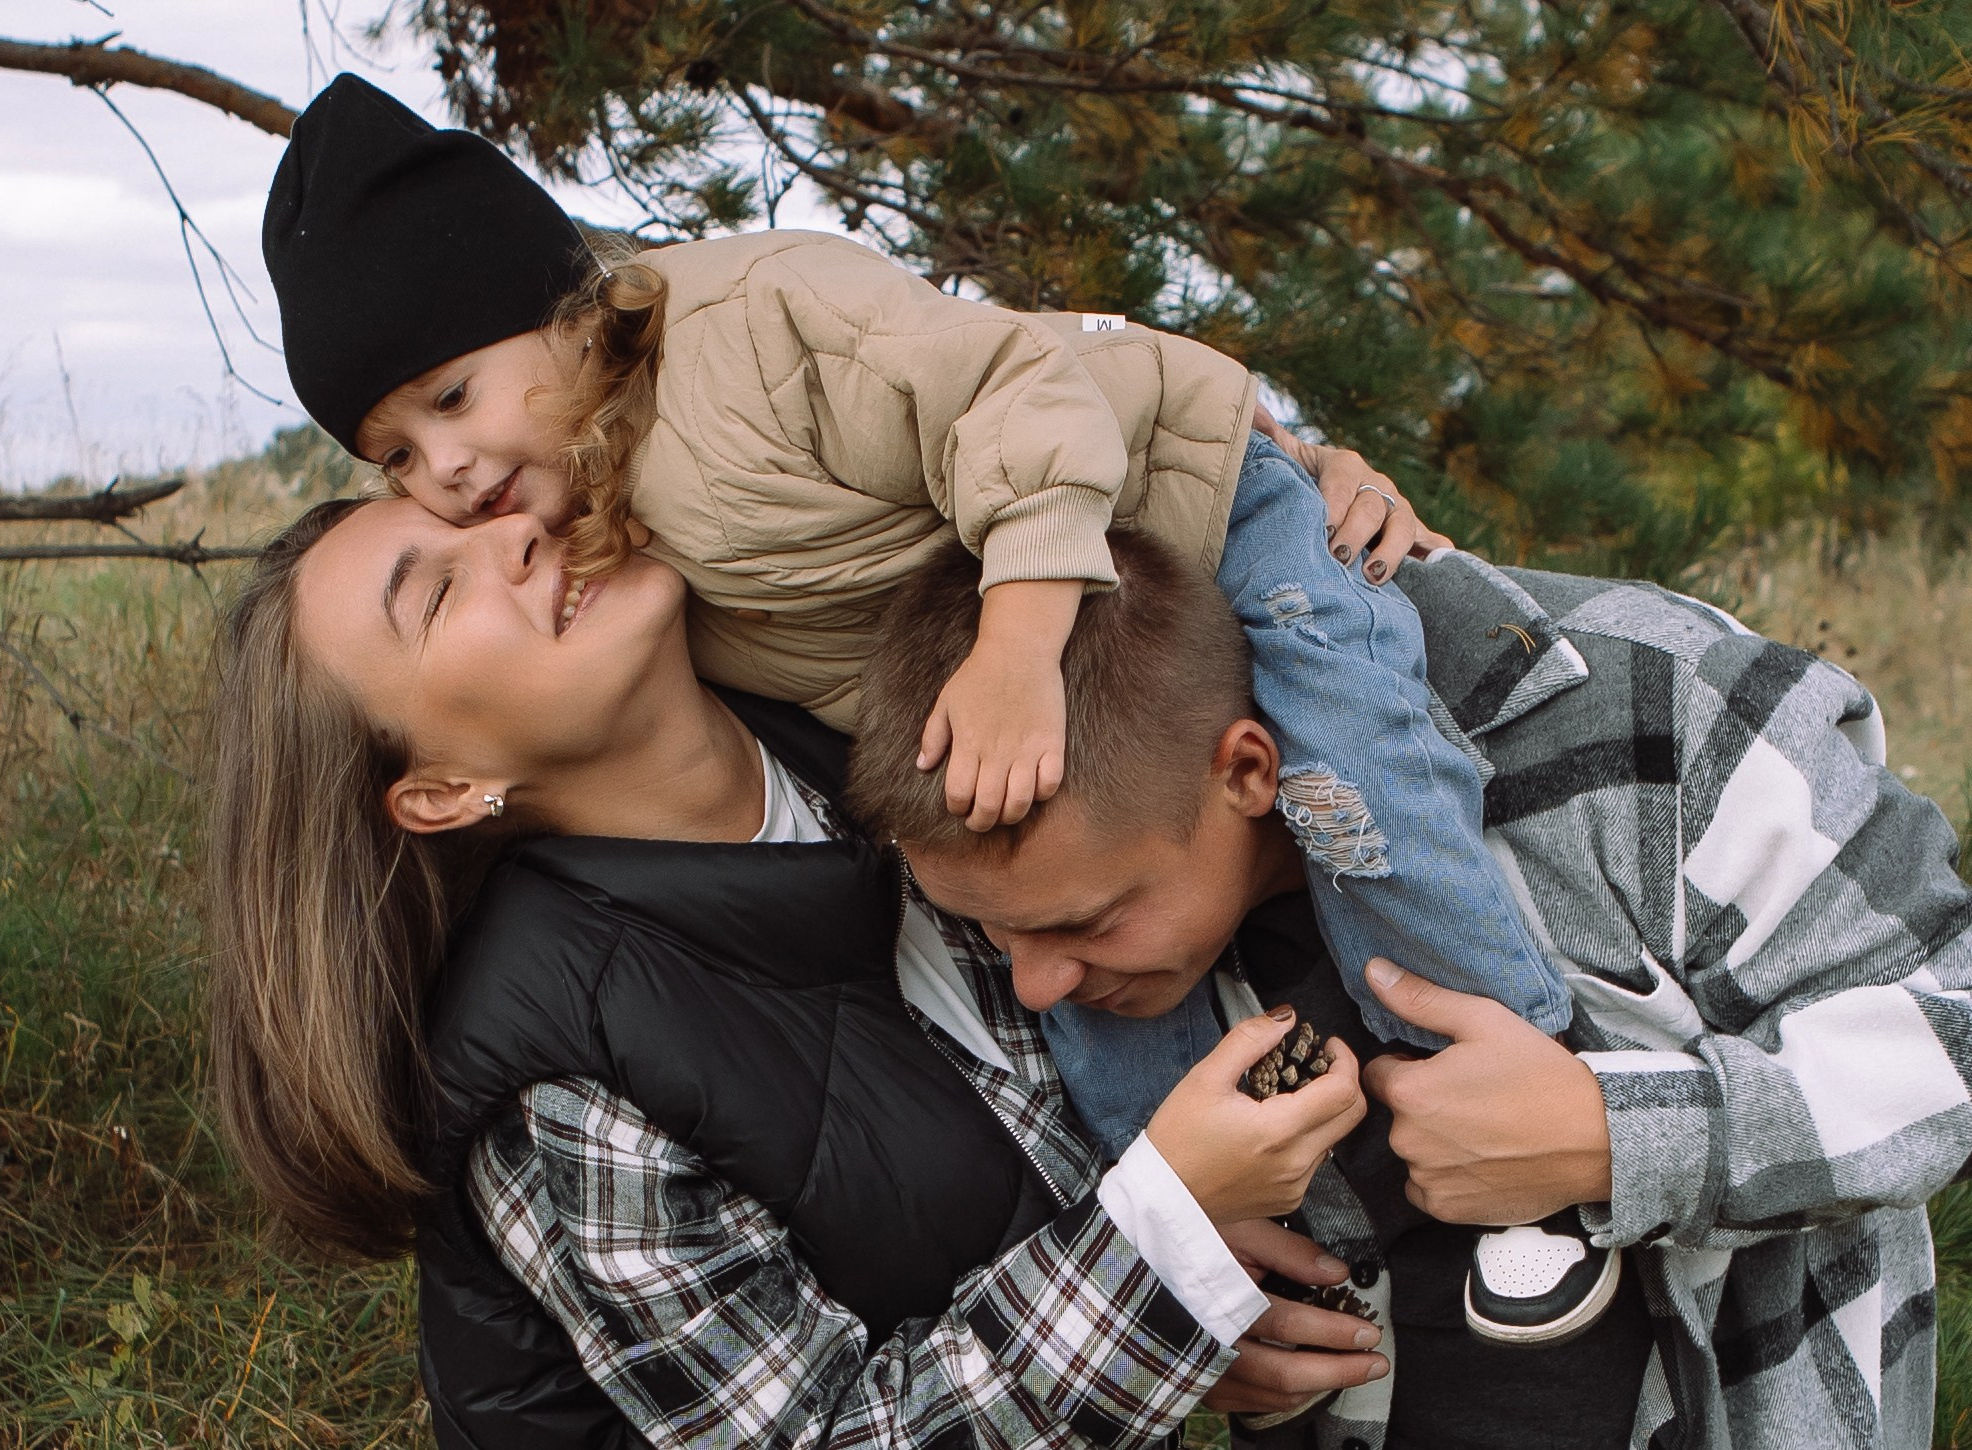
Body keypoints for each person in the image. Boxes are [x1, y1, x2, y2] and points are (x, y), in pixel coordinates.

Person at [261, 73, 1604, 1331]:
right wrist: (1164, 1276)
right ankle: (1266, 1227)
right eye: (393, 457)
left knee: (1352, 772)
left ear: (565, 312)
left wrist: (1257, 479)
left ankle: (1505, 1079)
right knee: (1086, 995)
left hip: (1156, 521)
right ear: (437, 786)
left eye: (449, 398)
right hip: (1062, 598)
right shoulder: (569, 1039)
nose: (451, 478)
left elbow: (1025, 384)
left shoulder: (744, 340)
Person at [201, 495, 1384, 1450]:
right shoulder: (557, 1078)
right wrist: (1157, 1258)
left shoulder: (859, 718)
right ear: (444, 792)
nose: (515, 527)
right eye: (439, 589)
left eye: (477, 510)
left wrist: (1304, 486)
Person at [848, 530, 1972, 1448]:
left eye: (1084, 923)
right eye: (996, 937)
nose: (1035, 987)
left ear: (1249, 769)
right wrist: (1180, 1324)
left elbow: (1948, 1029)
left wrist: (1612, 1137)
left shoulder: (1654, 705)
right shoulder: (997, 907)